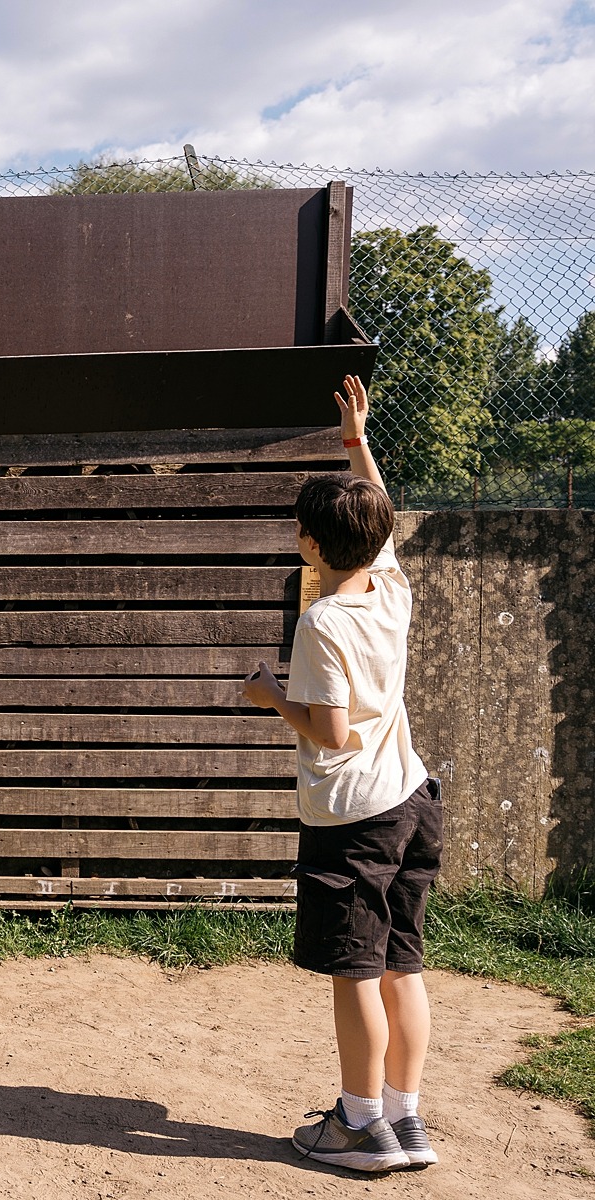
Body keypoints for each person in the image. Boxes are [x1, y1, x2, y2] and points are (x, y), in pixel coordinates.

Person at [243, 374, 443, 1173]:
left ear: (313, 545)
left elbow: (327, 735)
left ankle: (359, 1127)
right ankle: (406, 1118)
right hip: (412, 798)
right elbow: (377, 512)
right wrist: (357, 443)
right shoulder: (389, 588)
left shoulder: (322, 621)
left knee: (355, 970)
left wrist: (270, 696)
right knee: (403, 964)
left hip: (355, 816)